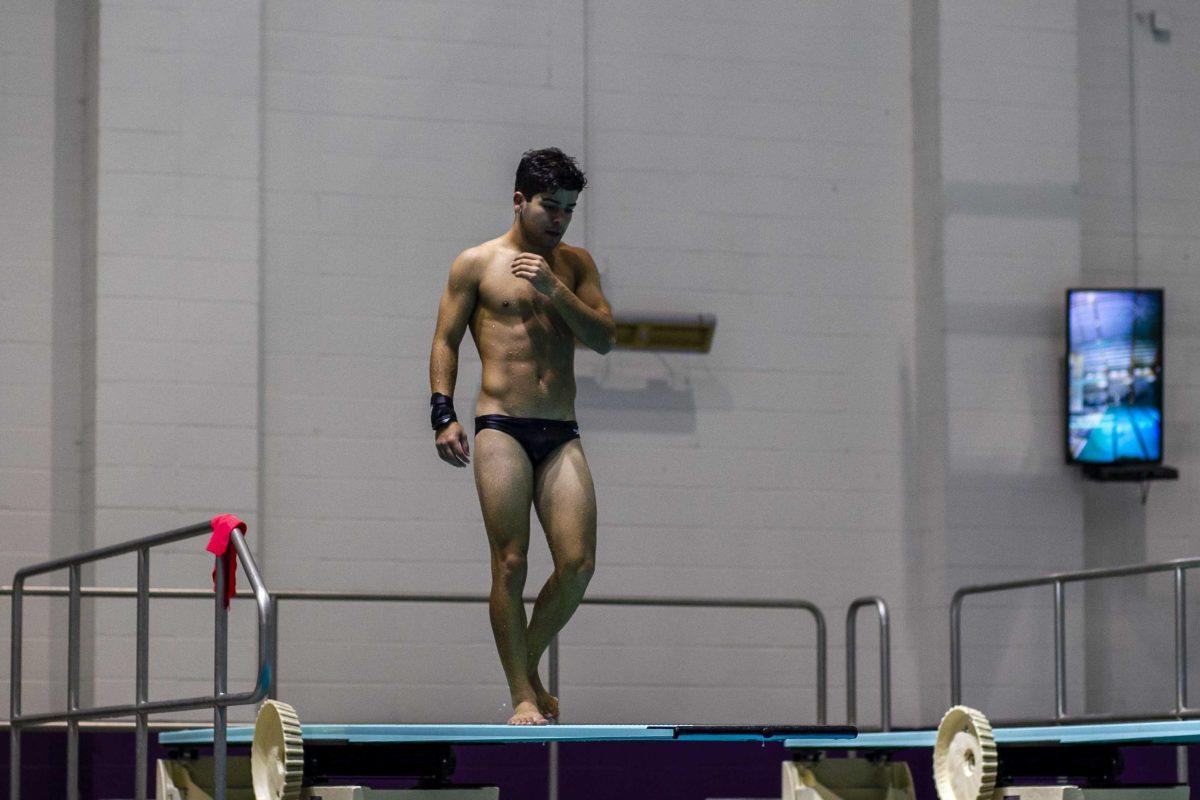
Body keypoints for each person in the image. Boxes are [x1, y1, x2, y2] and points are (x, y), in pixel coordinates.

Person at [428, 148, 615, 725]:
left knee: (579, 565)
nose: (559, 220)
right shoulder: (476, 264)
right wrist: (443, 414)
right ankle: (523, 696)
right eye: (549, 208)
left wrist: (557, 290)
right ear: (519, 201)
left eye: (568, 210)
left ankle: (523, 664)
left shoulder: (576, 266)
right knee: (510, 564)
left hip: (561, 432)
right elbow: (445, 340)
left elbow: (605, 338)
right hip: (501, 427)